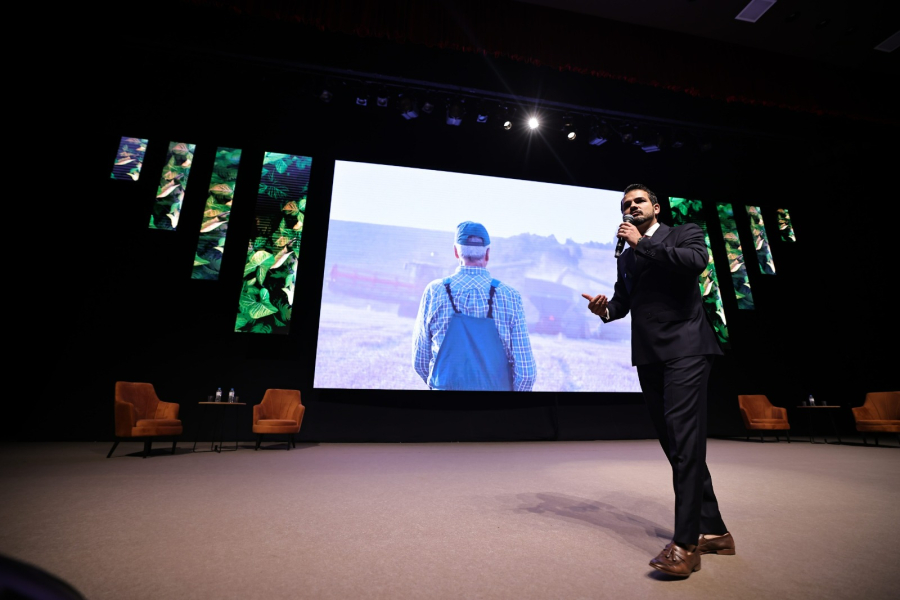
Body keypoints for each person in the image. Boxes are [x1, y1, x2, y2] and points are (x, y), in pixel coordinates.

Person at [582, 184, 731, 578]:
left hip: (686, 349)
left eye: (638, 202)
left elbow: (694, 263)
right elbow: (623, 303)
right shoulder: (626, 257)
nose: (631, 207)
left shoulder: (684, 232)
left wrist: (641, 244)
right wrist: (605, 311)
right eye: (625, 204)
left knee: (684, 442)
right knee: (675, 444)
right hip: (649, 356)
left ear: (656, 208)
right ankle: (715, 530)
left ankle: (685, 545)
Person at [413, 221, 536, 391]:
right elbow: (526, 374)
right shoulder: (510, 297)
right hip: (495, 412)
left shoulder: (435, 292)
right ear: (487, 254)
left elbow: (420, 361)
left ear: (456, 252)